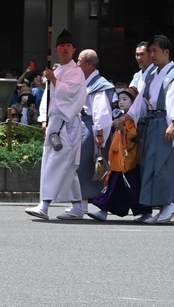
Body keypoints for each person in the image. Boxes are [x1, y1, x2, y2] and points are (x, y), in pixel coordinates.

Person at [128, 34, 174, 224]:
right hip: (154, 122)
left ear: (166, 52)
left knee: (164, 164)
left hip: (165, 120)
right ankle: (162, 206)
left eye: (155, 51)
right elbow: (141, 102)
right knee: (151, 164)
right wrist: (127, 117)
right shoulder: (152, 75)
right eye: (151, 51)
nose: (152, 55)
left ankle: (169, 204)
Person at [28, 32, 86, 221]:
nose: (65, 48)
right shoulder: (58, 70)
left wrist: (53, 79)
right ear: (56, 49)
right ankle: (77, 205)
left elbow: (70, 94)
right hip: (56, 122)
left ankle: (45, 204)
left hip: (67, 123)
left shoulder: (76, 71)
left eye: (69, 45)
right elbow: (49, 96)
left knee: (57, 162)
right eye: (62, 45)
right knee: (65, 166)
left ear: (74, 49)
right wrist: (44, 117)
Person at [89, 86, 142, 218]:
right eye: (119, 99)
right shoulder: (121, 117)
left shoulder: (132, 119)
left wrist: (123, 128)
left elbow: (133, 136)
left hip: (128, 160)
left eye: (125, 99)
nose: (121, 102)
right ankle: (103, 211)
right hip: (118, 160)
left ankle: (143, 211)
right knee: (114, 187)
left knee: (131, 188)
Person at [75, 48, 115, 209]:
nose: (77, 64)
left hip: (91, 128)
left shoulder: (99, 84)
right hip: (82, 125)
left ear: (89, 64)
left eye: (79, 61)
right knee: (81, 165)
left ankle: (85, 203)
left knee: (86, 164)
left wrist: (100, 133)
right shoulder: (84, 81)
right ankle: (81, 203)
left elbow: (101, 112)